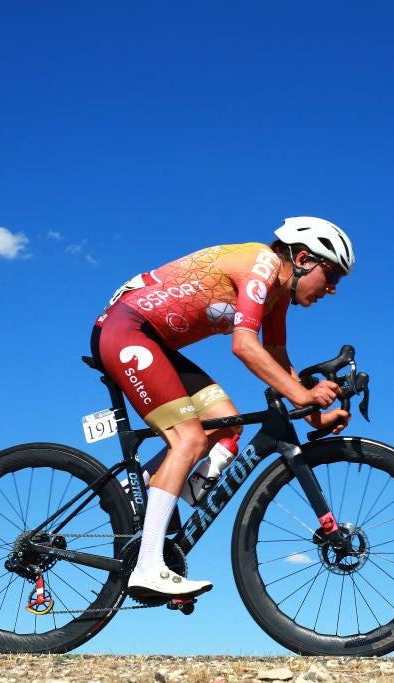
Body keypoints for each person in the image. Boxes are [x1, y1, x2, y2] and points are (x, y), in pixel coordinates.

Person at [89, 216, 355, 601]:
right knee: (189, 440)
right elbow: (245, 346)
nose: (332, 289)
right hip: (126, 330)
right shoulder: (262, 264)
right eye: (331, 275)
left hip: (151, 341)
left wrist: (317, 415)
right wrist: (303, 397)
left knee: (225, 425)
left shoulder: (278, 295)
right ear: (302, 259)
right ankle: (148, 567)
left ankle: (134, 489)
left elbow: (277, 358)